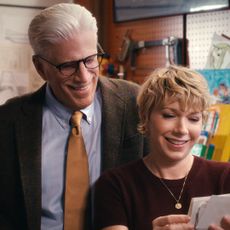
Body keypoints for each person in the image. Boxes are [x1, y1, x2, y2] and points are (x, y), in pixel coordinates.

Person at [0, 3, 148, 230]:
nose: (83, 77)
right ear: (40, 68)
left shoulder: (135, 103)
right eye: (68, 65)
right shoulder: (8, 120)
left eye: (90, 60)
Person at [93, 65, 230, 230]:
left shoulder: (225, 176)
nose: (182, 129)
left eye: (193, 118)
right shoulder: (115, 185)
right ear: (145, 117)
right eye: (169, 115)